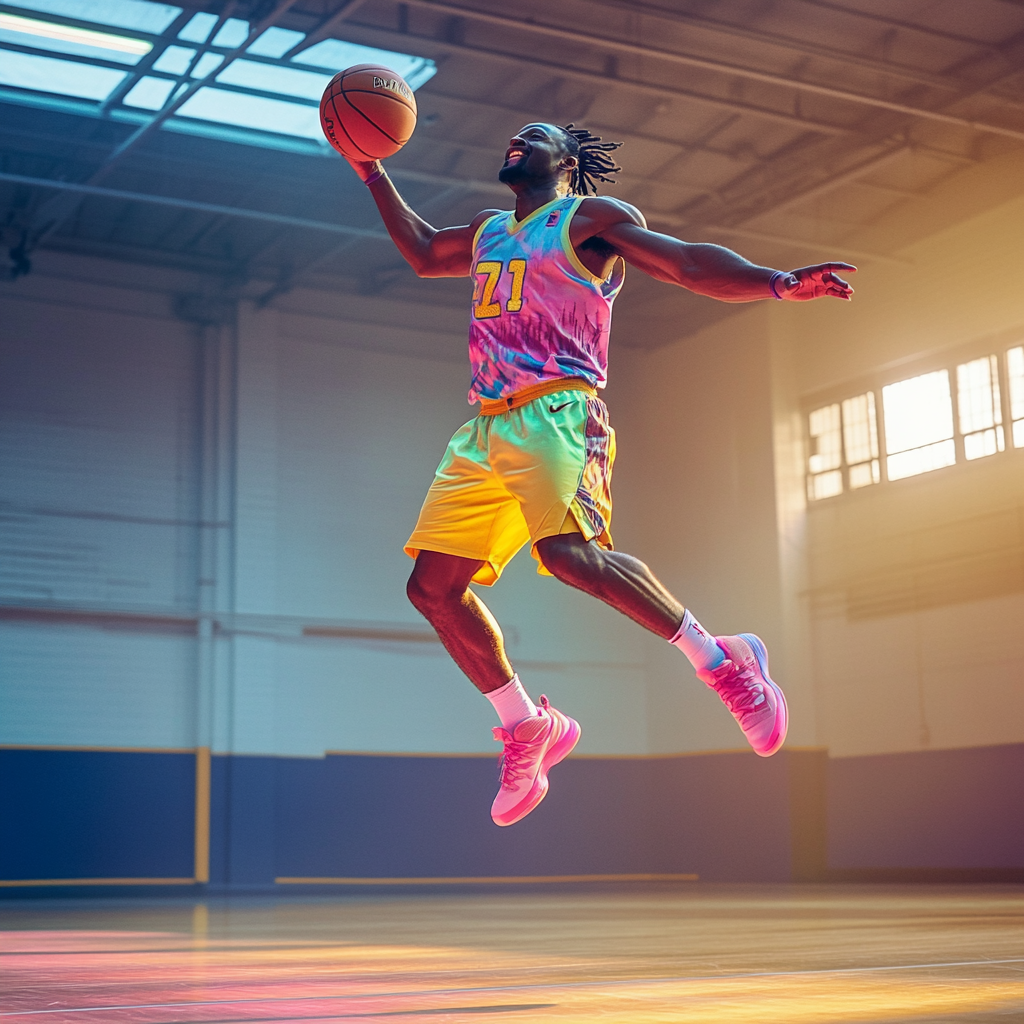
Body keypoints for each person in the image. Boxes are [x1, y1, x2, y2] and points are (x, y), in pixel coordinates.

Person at [343, 122, 855, 827]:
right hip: (486, 424)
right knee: (431, 589)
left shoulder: (591, 221)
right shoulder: (490, 229)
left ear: (567, 161)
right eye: (513, 134)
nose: (516, 138)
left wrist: (777, 282)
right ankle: (528, 725)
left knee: (571, 555)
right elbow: (428, 253)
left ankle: (723, 660)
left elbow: (686, 264)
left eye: (536, 135)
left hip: (559, 409)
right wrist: (370, 171)